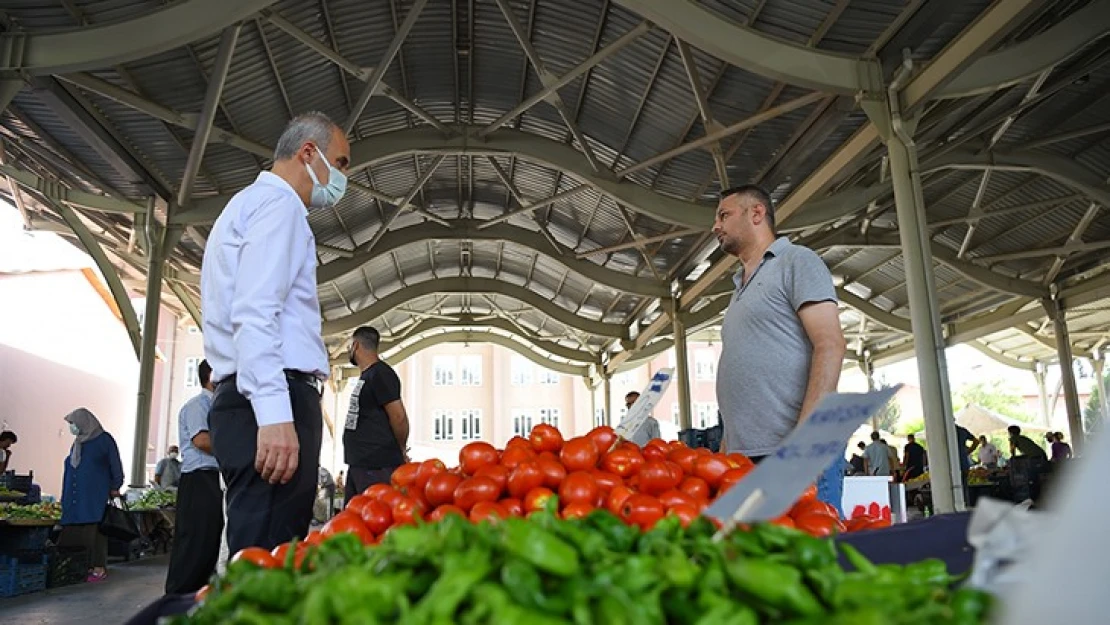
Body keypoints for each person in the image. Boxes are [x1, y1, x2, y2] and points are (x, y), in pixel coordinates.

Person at [201, 111, 350, 554]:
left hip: (249, 397)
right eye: (340, 163)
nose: (344, 177)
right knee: (269, 559)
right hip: (270, 396)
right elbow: (255, 309)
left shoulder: (248, 204)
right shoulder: (280, 205)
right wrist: (274, 415)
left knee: (260, 546)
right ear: (309, 152)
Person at [712, 185, 847, 512]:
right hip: (747, 458)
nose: (715, 226)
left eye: (724, 215)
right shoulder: (739, 287)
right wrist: (723, 454)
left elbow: (830, 345)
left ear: (756, 213)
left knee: (816, 552)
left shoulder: (796, 261)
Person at [165, 360, 224, 595]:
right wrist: (237, 449)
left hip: (215, 479)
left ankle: (200, 595)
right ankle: (177, 598)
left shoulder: (219, 406)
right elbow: (202, 441)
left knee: (210, 540)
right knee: (195, 542)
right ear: (211, 376)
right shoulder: (198, 405)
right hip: (200, 479)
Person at [343, 326, 410, 505]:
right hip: (359, 463)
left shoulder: (381, 374)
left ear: (356, 345)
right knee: (352, 519)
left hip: (376, 464)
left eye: (349, 345)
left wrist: (401, 448)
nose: (347, 349)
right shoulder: (367, 375)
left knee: (373, 517)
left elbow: (399, 417)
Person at [57, 408, 123, 583]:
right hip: (74, 497)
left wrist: (115, 485)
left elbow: (115, 465)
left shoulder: (104, 440)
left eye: (73, 423)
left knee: (93, 529)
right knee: (72, 530)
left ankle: (97, 567)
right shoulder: (78, 443)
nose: (72, 427)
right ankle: (75, 567)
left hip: (93, 495)